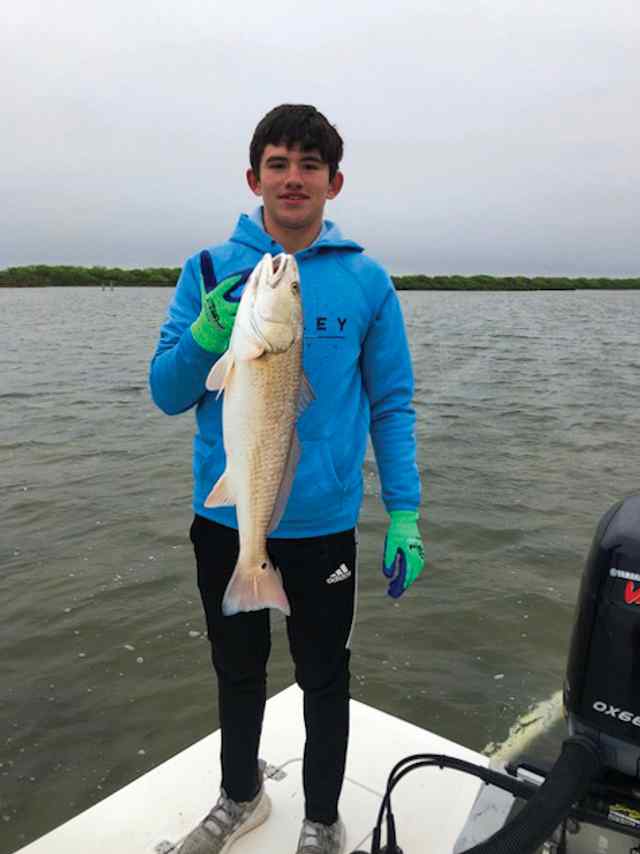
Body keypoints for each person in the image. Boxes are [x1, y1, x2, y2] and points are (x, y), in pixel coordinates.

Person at [149, 104, 425, 854]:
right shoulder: (208, 269)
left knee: (324, 676)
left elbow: (393, 402)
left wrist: (405, 512)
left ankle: (322, 815)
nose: (293, 178)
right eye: (279, 163)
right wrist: (207, 334)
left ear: (334, 183)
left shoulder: (367, 280)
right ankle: (241, 796)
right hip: (230, 519)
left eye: (310, 165)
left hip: (326, 522)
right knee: (235, 671)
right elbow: (168, 393)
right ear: (253, 178)